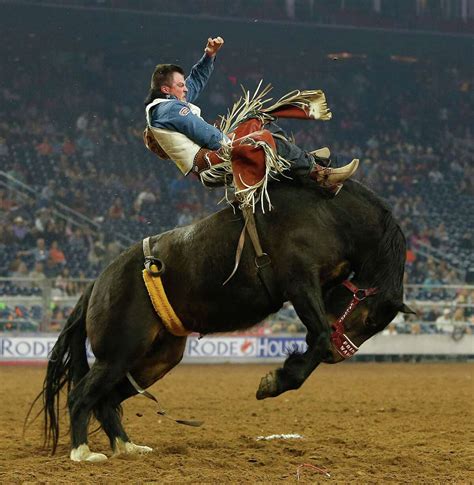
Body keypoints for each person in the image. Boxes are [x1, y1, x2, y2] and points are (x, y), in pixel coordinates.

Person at [144, 37, 358, 208]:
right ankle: (318, 173)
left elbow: (195, 81)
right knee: (260, 140)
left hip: (212, 155)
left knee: (257, 119)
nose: (186, 88)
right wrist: (229, 143)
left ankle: (304, 161)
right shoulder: (168, 109)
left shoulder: (169, 105)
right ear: (166, 90)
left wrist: (209, 56)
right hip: (208, 162)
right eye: (180, 85)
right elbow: (200, 130)